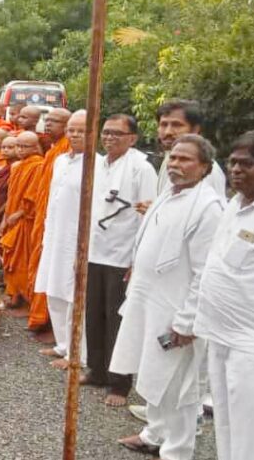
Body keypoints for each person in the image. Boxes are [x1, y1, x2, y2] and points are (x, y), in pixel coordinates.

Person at [110, 135, 224, 459]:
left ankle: (177, 450)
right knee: (153, 374)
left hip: (178, 311)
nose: (175, 164)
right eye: (172, 158)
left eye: (185, 159)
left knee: (179, 387)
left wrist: (187, 321)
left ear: (204, 167)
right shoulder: (168, 195)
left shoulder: (208, 207)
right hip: (149, 299)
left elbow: (206, 272)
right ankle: (154, 434)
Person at [193, 130, 254, 460]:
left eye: (246, 164)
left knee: (252, 432)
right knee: (225, 424)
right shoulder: (234, 204)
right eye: (232, 162)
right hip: (219, 335)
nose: (235, 170)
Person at [85, 114, 157, 406]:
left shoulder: (141, 167)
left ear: (133, 138)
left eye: (117, 133)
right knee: (94, 314)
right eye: (106, 132)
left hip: (123, 253)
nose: (110, 138)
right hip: (96, 250)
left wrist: (136, 259)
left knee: (118, 319)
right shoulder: (101, 163)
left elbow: (148, 214)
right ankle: (97, 370)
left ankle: (119, 383)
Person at [34, 110, 91, 368]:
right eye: (72, 129)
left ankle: (76, 353)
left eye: (81, 130)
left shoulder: (96, 164)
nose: (75, 134)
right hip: (55, 234)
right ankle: (62, 344)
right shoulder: (59, 161)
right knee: (54, 290)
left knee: (72, 295)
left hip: (76, 240)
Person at [27, 107, 73, 334]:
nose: (48, 125)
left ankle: (48, 323)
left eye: (54, 122)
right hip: (45, 216)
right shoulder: (56, 152)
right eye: (48, 121)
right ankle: (41, 317)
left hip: (60, 223)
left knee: (55, 274)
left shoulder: (68, 152)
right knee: (42, 266)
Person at [0, 131, 44, 309]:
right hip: (11, 219)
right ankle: (14, 293)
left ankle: (25, 297)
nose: (20, 150)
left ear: (35, 147)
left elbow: (34, 196)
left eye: (25, 146)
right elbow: (11, 196)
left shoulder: (38, 166)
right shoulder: (17, 166)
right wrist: (5, 219)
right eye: (18, 146)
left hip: (26, 221)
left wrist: (20, 213)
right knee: (11, 259)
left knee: (22, 260)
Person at [151, 100, 226, 200]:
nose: (168, 132)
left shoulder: (205, 169)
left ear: (195, 129)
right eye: (164, 125)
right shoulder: (169, 159)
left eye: (176, 125)